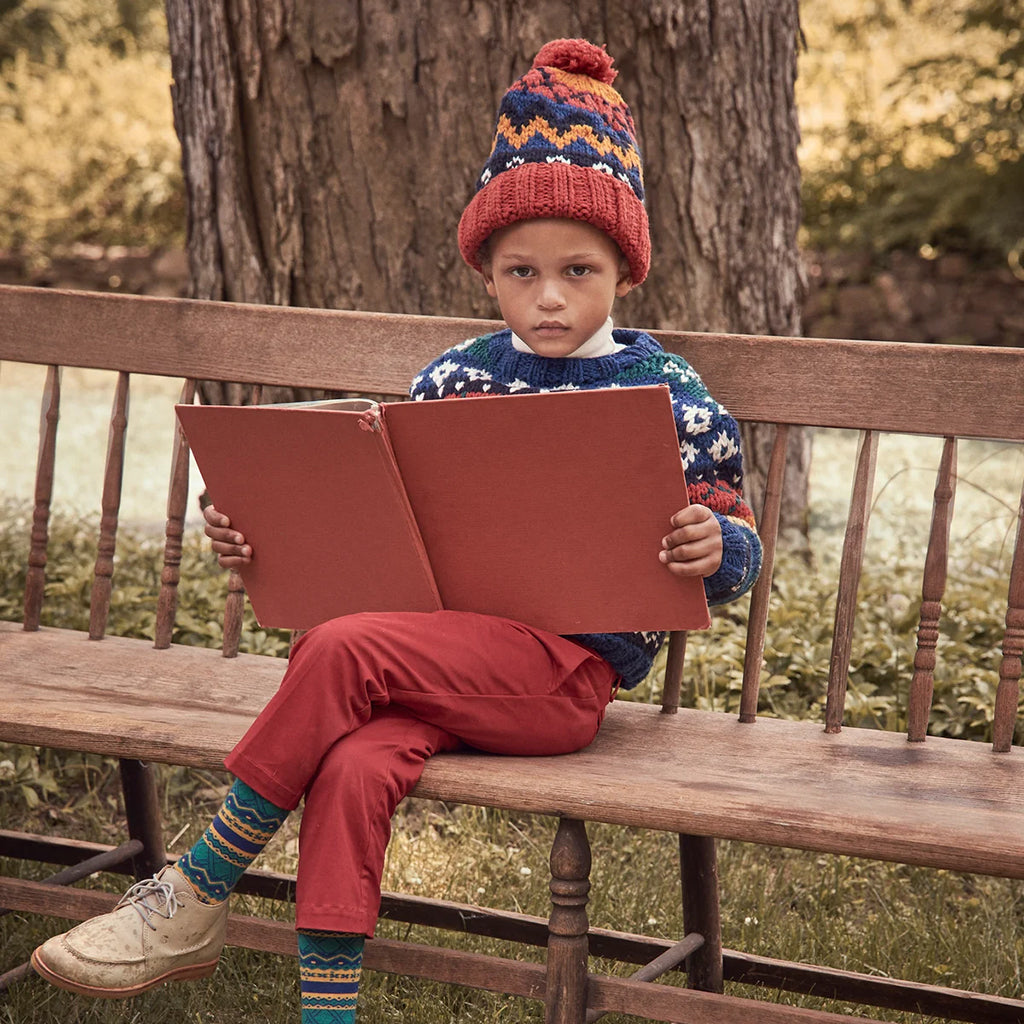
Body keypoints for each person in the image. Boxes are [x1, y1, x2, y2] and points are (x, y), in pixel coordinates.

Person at [31, 37, 762, 1023]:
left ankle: (195, 888)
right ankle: (326, 1013)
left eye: (577, 269)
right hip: (438, 656)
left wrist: (714, 549)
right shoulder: (450, 380)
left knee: (339, 649)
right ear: (486, 271)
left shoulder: (664, 390)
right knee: (352, 760)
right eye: (520, 270)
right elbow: (382, 529)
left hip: (561, 680)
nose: (548, 295)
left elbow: (735, 547)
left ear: (623, 270)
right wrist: (261, 537)